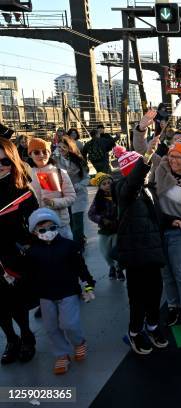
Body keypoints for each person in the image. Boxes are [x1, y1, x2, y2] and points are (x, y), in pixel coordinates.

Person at [114, 138, 168, 355]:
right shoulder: (124, 190)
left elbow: (156, 218)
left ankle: (153, 326)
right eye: (140, 170)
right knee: (137, 297)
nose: (146, 173)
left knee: (155, 292)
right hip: (135, 254)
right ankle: (135, 332)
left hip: (153, 252)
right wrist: (146, 156)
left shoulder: (148, 189)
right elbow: (134, 181)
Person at [25, 208, 95, 375]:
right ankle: (61, 354)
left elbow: (80, 267)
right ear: (35, 232)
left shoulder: (69, 246)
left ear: (57, 227)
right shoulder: (32, 252)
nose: (47, 232)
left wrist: (88, 285)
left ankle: (79, 342)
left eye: (51, 228)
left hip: (68, 291)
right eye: (42, 230)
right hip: (45, 295)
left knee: (69, 324)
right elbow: (30, 274)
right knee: (51, 327)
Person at [148, 138, 181, 331]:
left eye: (179, 157)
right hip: (160, 229)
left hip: (179, 231)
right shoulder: (161, 169)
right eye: (171, 156)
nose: (174, 160)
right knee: (167, 274)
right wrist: (141, 130)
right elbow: (142, 151)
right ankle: (173, 307)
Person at [0, 138, 38, 365]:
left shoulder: (22, 189)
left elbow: (35, 225)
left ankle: (26, 337)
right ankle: (11, 340)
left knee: (16, 303)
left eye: (5, 160)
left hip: (14, 256)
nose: (0, 165)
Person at [28, 138, 76, 240]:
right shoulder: (25, 176)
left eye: (45, 151)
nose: (41, 155)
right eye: (36, 152)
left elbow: (71, 197)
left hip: (60, 226)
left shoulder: (60, 172)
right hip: (38, 228)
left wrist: (54, 202)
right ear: (30, 154)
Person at [56, 137, 89, 249]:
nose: (61, 149)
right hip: (64, 196)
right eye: (59, 147)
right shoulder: (55, 160)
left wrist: (79, 185)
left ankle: (79, 248)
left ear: (70, 148)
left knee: (77, 222)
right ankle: (80, 239)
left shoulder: (79, 160)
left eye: (64, 147)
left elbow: (86, 177)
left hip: (78, 195)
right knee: (69, 222)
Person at [88, 172, 122, 281]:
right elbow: (91, 214)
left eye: (109, 183)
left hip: (117, 229)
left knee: (116, 250)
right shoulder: (98, 199)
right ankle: (111, 266)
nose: (107, 185)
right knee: (106, 252)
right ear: (100, 186)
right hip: (105, 230)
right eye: (104, 184)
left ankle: (118, 268)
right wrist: (102, 220)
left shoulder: (118, 196)